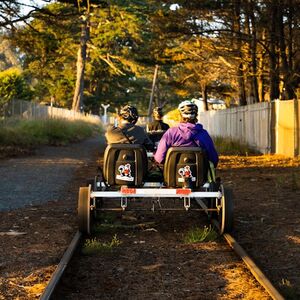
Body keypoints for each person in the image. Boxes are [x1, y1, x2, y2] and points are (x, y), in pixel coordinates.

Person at [154, 100, 219, 168]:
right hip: (200, 176)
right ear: (196, 115)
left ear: (180, 115)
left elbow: (159, 158)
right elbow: (214, 159)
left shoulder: (171, 133)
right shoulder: (203, 134)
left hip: (172, 176)